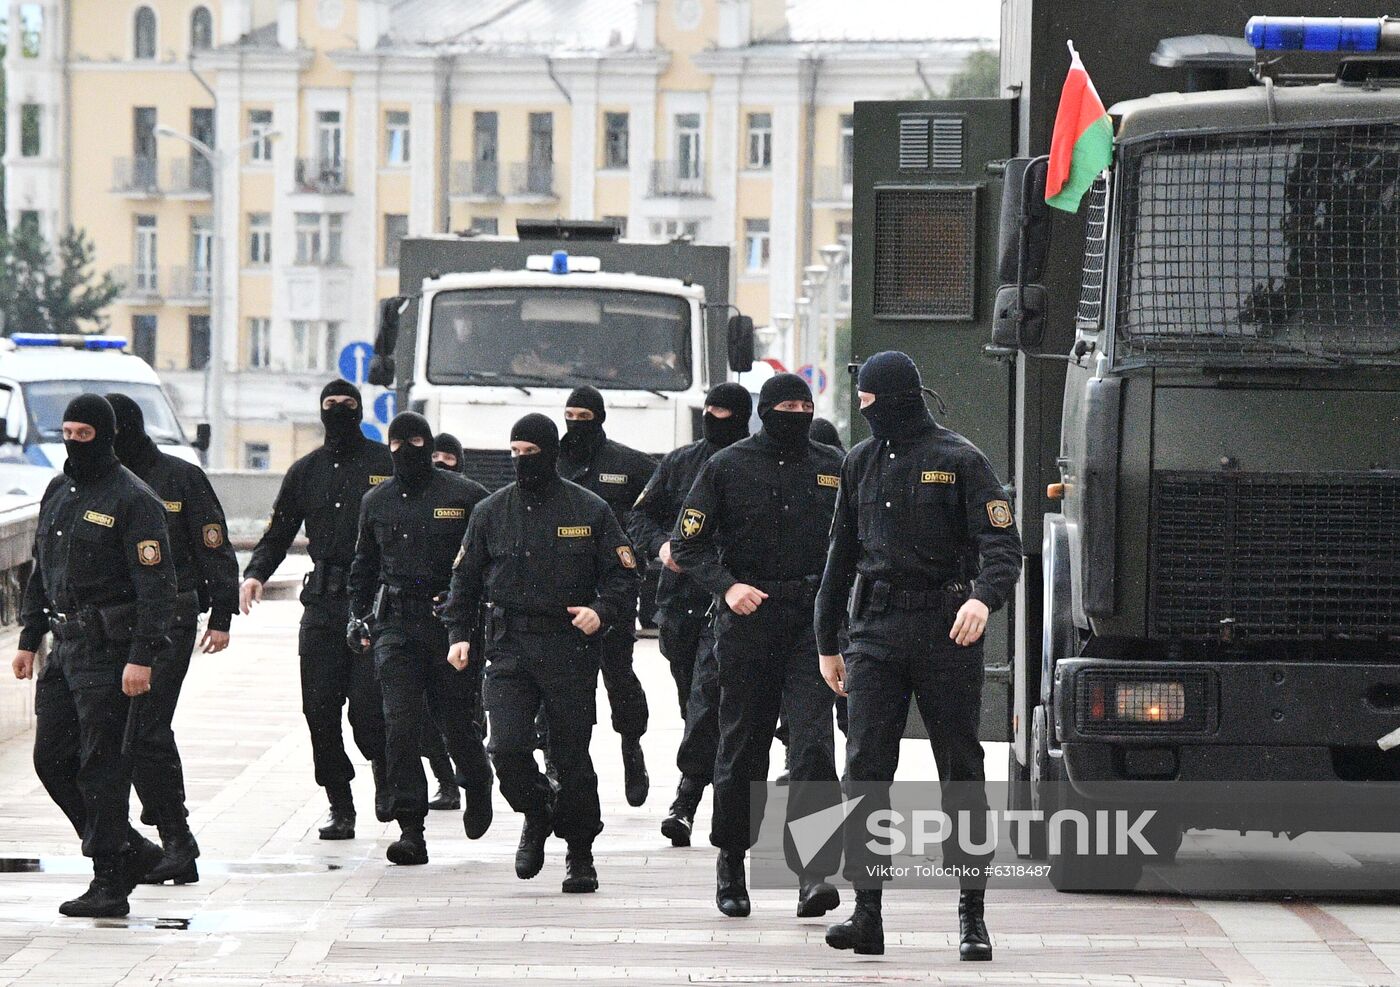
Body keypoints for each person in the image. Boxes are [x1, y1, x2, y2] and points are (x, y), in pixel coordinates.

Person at [815, 351, 1022, 961]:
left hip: (946, 630)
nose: (862, 409)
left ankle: (972, 914)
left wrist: (985, 600)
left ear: (896, 397)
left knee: (959, 768)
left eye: (869, 399)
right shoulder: (860, 463)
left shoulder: (960, 460)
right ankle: (867, 912)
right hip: (876, 630)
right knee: (866, 769)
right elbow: (839, 559)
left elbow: (1001, 546)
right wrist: (828, 642)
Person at [670, 373, 844, 920]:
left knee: (813, 746)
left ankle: (814, 872)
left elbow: (859, 541)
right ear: (765, 412)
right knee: (742, 747)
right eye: (786, 405)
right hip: (748, 624)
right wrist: (726, 586)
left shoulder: (834, 467)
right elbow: (686, 543)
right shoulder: (725, 467)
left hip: (811, 626)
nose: (796, 412)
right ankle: (731, 860)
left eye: (804, 405)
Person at [442, 414, 637, 894]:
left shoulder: (588, 509)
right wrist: (458, 634)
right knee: (506, 748)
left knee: (570, 755)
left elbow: (624, 574)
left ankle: (580, 852)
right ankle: (536, 809)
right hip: (508, 647)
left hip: (568, 645)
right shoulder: (490, 511)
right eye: (516, 454)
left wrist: (602, 611)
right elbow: (463, 582)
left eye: (531, 453)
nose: (522, 462)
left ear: (551, 453)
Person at [13, 395, 177, 917]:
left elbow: (157, 585)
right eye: (67, 432)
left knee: (103, 766)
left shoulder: (134, 499)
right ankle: (128, 848)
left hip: (111, 651)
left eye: (84, 435)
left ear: (104, 437)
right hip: (63, 648)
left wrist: (143, 656)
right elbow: (43, 571)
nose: (73, 443)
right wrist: (27, 635)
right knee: (51, 760)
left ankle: (110, 881)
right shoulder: (58, 491)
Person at [241, 380, 391, 841]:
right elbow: (278, 531)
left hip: (372, 601)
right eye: (330, 406)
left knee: (367, 710)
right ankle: (339, 803)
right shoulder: (305, 471)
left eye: (347, 406)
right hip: (323, 603)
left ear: (360, 409)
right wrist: (254, 574)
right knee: (319, 709)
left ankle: (385, 772)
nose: (339, 413)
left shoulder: (384, 464)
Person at [348, 412, 494, 865]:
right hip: (396, 626)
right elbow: (364, 568)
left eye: (413, 441)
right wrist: (358, 619)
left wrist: (472, 608)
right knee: (401, 724)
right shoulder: (376, 501)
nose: (403, 451)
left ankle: (477, 779)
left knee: (454, 722)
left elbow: (491, 556)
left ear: (428, 444)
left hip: (451, 625)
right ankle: (411, 827)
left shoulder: (466, 496)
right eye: (396, 442)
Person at [106, 392, 239, 886]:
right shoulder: (96, 482)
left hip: (172, 620)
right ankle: (153, 827)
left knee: (147, 726)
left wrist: (222, 613)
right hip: (114, 624)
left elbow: (214, 545)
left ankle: (176, 838)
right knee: (123, 731)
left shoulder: (179, 477)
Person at [628, 382, 752, 847]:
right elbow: (640, 517)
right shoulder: (680, 463)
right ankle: (708, 783)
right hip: (680, 602)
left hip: (729, 602)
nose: (714, 417)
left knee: (707, 701)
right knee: (693, 704)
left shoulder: (753, 462)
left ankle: (689, 798)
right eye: (709, 410)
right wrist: (662, 547)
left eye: (724, 411)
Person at [555, 385, 654, 807]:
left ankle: (631, 744)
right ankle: (557, 761)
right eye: (570, 415)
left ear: (599, 417)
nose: (576, 424)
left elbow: (653, 514)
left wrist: (639, 558)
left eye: (584, 416)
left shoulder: (630, 464)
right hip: (561, 588)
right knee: (557, 677)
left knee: (617, 673)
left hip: (613, 588)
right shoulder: (551, 461)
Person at [421, 430, 470, 811]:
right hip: (415, 616)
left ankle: (472, 770)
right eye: (434, 456)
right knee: (422, 708)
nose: (440, 463)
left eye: (448, 458)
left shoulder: (472, 499)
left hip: (463, 615)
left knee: (460, 708)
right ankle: (445, 781)